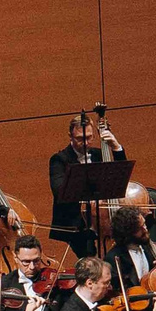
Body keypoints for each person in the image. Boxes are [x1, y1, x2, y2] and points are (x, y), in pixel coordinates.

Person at [46, 109, 125, 256]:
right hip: (76, 223)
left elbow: (120, 176)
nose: (86, 143)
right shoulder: (59, 160)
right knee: (90, 258)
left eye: (89, 138)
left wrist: (116, 147)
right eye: (80, 139)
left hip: (103, 218)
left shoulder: (98, 154)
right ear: (70, 136)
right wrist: (88, 198)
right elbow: (60, 191)